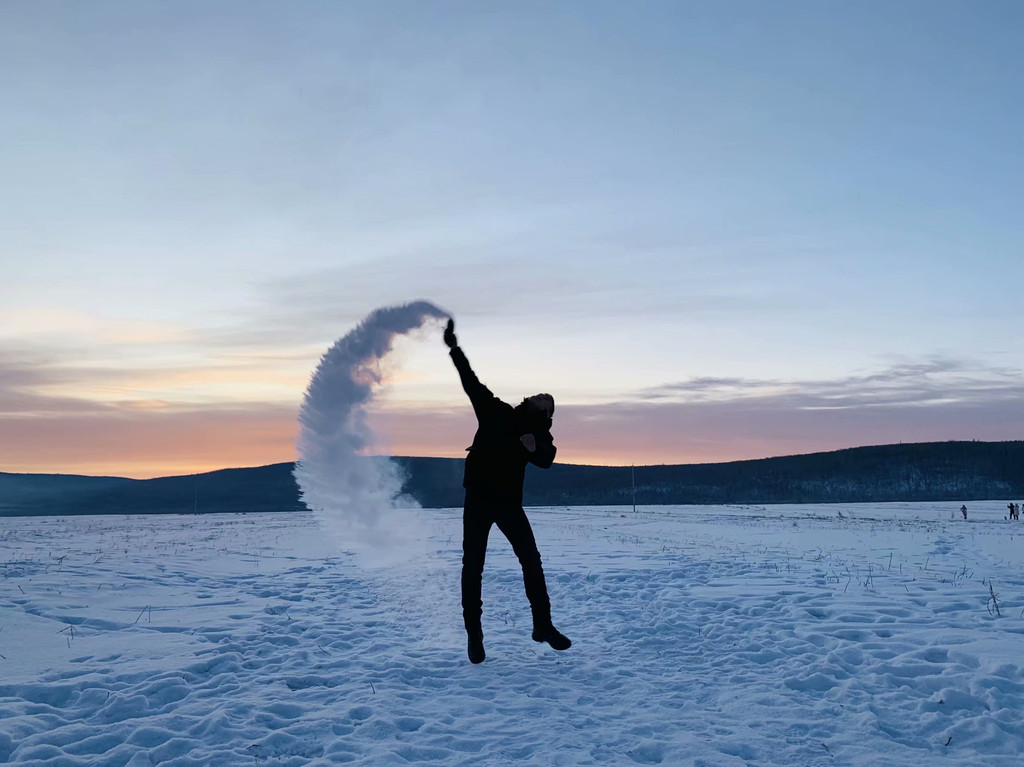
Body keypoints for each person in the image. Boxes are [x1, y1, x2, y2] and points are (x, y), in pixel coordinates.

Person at [444, 318, 571, 664]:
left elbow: (548, 458)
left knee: (531, 561)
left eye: (546, 402)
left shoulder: (540, 437)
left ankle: (542, 626)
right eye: (538, 396)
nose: (538, 398)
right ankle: (475, 636)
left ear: (545, 415)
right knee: (473, 567)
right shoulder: (497, 412)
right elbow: (471, 382)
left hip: (509, 504)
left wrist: (532, 447)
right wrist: (454, 349)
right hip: (480, 499)